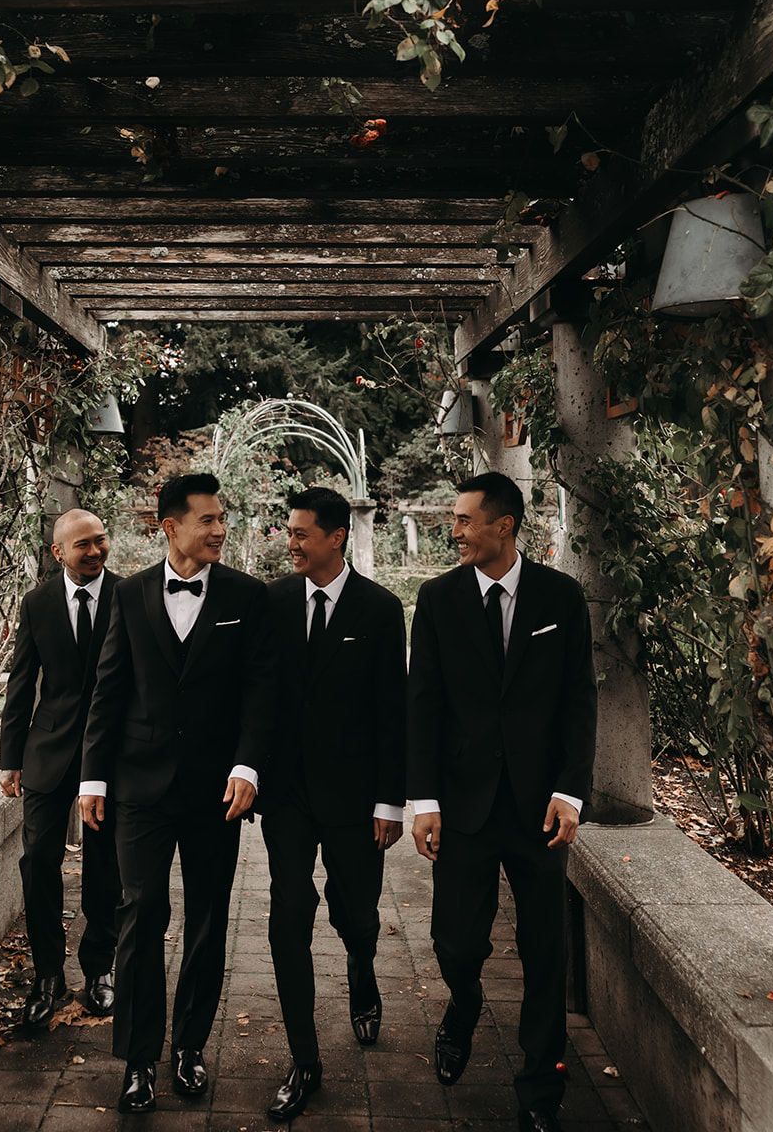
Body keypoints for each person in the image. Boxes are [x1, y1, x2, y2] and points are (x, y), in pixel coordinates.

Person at [79, 472, 276, 1116]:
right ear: (171, 525)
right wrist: (92, 777)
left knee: (209, 919)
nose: (220, 529)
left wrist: (248, 767)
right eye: (208, 520)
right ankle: (137, 1059)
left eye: (223, 520)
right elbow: (108, 692)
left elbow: (258, 694)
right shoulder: (131, 595)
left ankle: (189, 1048)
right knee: (140, 914)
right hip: (139, 786)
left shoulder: (248, 596)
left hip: (218, 791)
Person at [408, 472, 597, 1132]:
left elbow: (579, 700)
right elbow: (423, 704)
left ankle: (539, 1091)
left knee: (545, 949)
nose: (453, 530)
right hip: (461, 804)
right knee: (454, 942)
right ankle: (462, 1005)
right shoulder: (436, 600)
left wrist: (571, 791)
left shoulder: (560, 597)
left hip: (539, 807)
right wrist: (423, 798)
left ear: (503, 525)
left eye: (463, 520)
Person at [260, 486, 407, 1122]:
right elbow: (259, 694)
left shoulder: (379, 609)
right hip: (287, 796)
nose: (289, 543)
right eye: (288, 533)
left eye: (300, 534)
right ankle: (305, 1060)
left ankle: (363, 969)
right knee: (288, 913)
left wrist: (390, 801)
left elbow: (391, 714)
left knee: (358, 914)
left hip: (355, 799)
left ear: (336, 537)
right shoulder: (274, 602)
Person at [0, 507, 122, 1027]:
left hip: (110, 751)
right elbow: (22, 681)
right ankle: (48, 974)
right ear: (58, 554)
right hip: (47, 751)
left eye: (100, 541)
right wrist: (10, 759)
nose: (95, 551)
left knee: (105, 865)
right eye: (83, 545)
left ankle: (99, 970)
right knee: (37, 863)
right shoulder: (37, 603)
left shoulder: (127, 595)